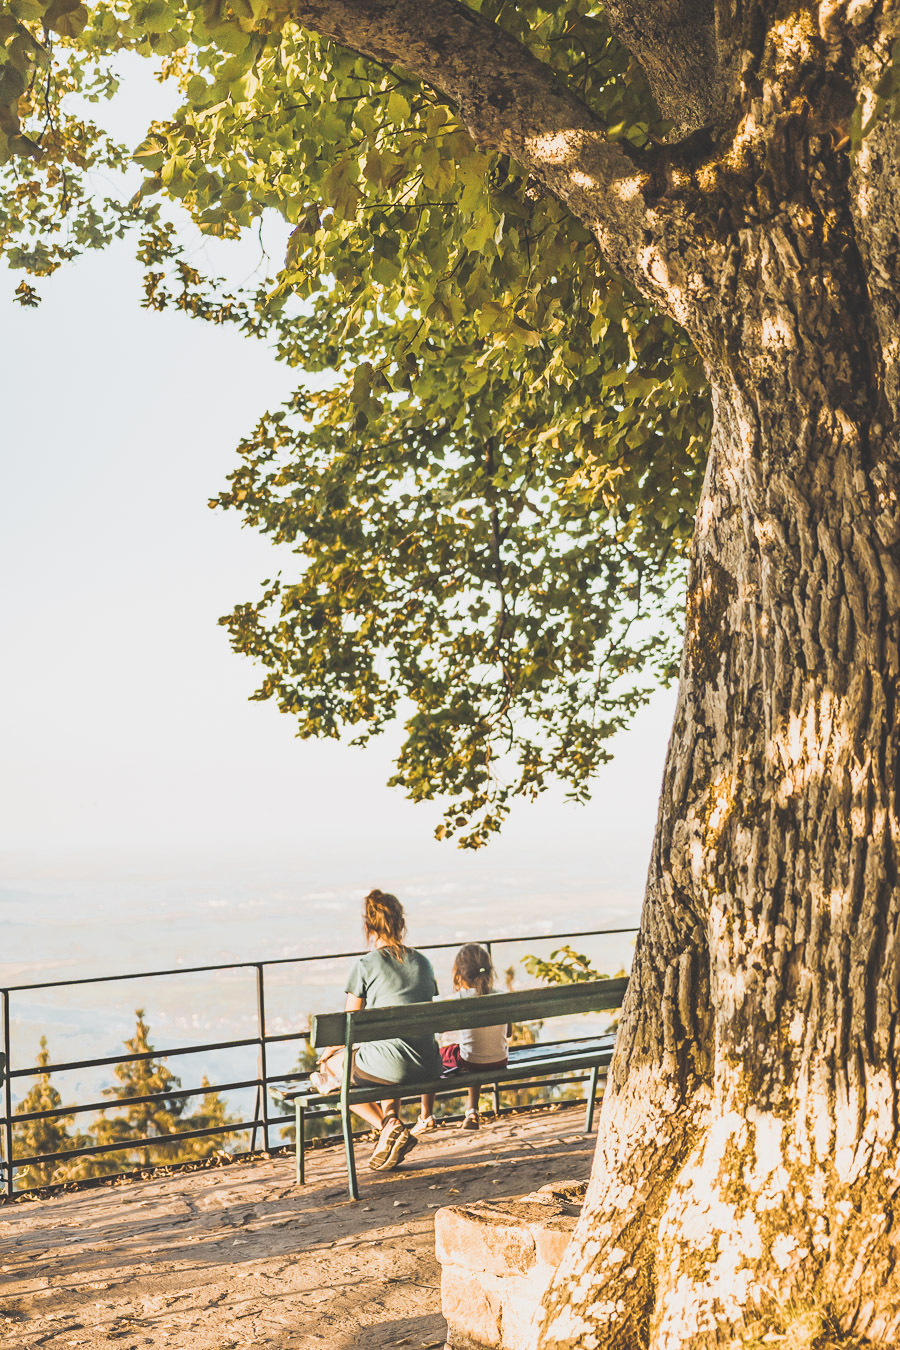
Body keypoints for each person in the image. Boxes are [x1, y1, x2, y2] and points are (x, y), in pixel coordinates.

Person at [310, 889, 441, 1171]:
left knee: (331, 1071)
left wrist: (328, 1055)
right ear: (401, 923)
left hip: (391, 1067)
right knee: (382, 1056)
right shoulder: (424, 962)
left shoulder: (366, 965)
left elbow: (348, 1024)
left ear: (368, 927)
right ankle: (390, 1127)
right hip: (429, 1064)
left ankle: (386, 1125)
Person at [413, 943, 509, 1135]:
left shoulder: (460, 998)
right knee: (473, 1051)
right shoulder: (501, 995)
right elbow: (509, 1034)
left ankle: (426, 1116)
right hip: (499, 1060)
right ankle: (472, 1110)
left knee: (434, 1056)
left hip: (470, 1062)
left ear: (459, 974)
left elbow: (436, 1029)